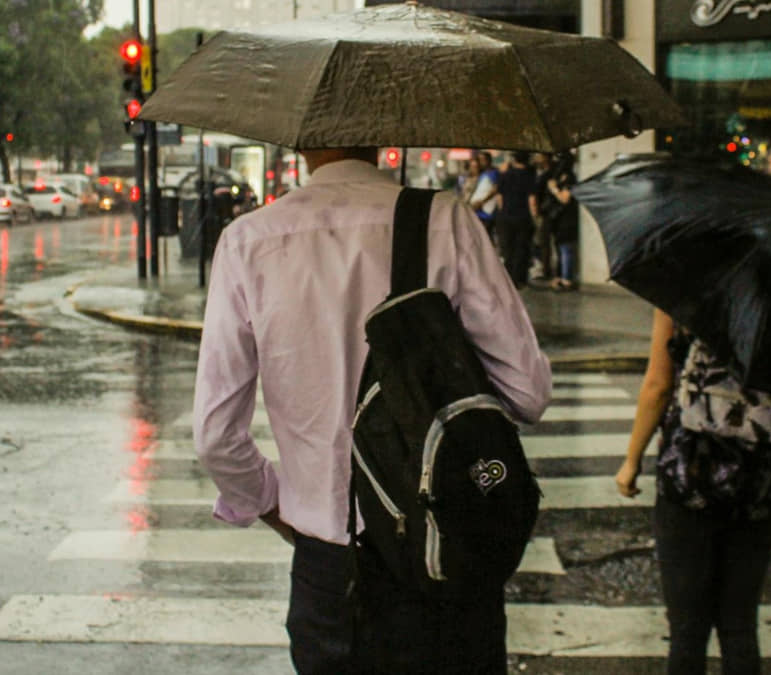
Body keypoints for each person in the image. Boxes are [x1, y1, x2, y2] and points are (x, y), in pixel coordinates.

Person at [193, 146, 552, 675]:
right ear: (383, 130)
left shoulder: (248, 241)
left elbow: (216, 437)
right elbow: (527, 391)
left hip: (331, 569)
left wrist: (271, 502)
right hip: (444, 550)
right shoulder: (443, 220)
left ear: (300, 142)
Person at [616, 309, 771, 675]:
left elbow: (658, 385)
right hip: (757, 479)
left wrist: (632, 460)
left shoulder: (683, 297)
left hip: (690, 473)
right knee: (739, 625)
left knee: (687, 631)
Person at [495, 151, 538, 288]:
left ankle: (508, 279)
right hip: (523, 217)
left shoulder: (505, 175)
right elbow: (532, 199)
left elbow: (499, 198)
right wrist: (535, 216)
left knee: (508, 249)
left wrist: (503, 212)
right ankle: (519, 279)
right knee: (521, 248)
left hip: (506, 216)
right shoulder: (530, 176)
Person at [542, 153, 579, 291]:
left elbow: (565, 199)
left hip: (567, 220)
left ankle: (566, 279)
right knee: (559, 248)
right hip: (557, 220)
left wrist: (554, 189)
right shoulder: (558, 176)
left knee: (566, 249)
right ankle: (560, 276)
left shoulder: (570, 178)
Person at [530, 153, 556, 280]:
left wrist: (535, 211)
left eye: (539, 156)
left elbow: (536, 194)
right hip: (544, 212)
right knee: (542, 242)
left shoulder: (548, 174)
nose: (536, 159)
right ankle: (544, 268)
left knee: (543, 242)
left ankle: (545, 270)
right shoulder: (539, 173)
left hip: (546, 213)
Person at [469, 150, 501, 240]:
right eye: (479, 160)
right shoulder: (482, 174)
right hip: (478, 212)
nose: (481, 162)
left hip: (487, 212)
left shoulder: (494, 173)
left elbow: (495, 189)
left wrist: (482, 202)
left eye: (483, 160)